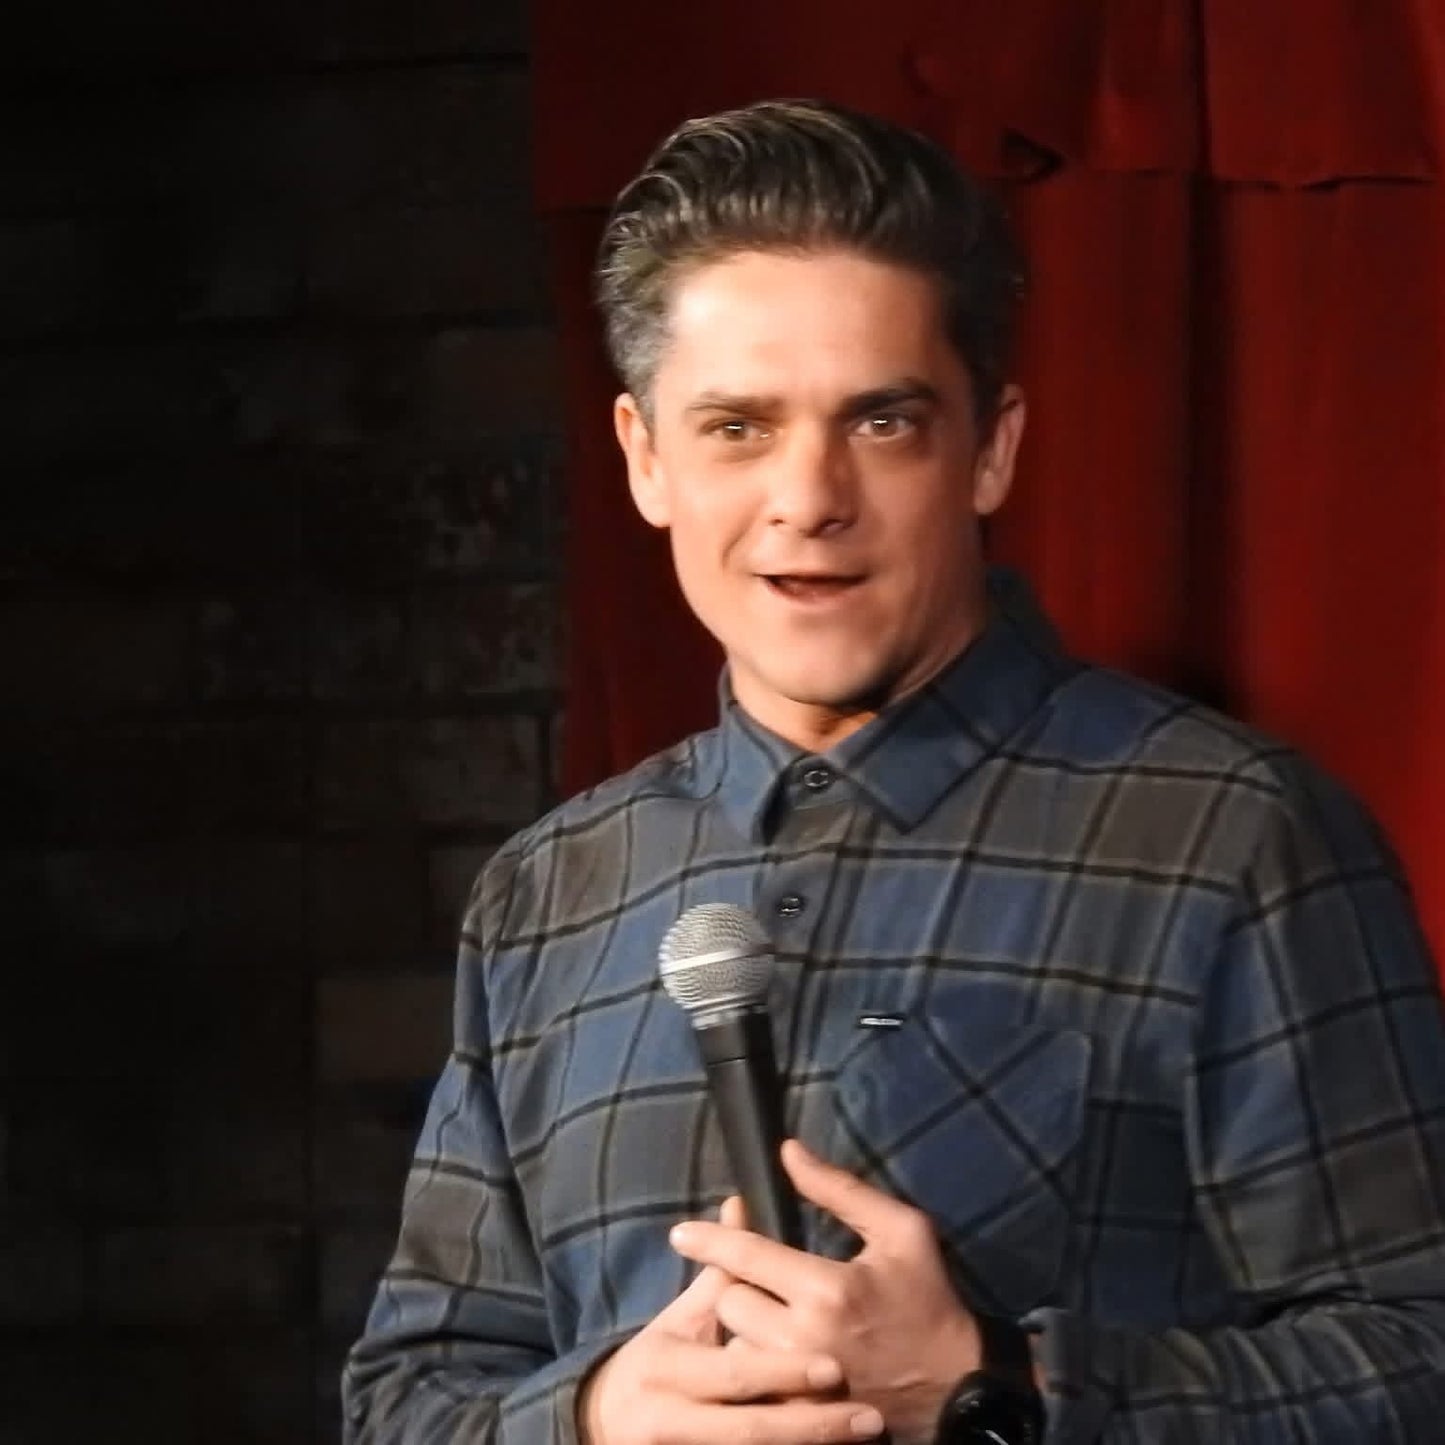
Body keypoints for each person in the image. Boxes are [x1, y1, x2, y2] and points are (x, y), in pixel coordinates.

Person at [342, 99, 1445, 1444]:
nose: (808, 496)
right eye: (737, 427)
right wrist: (591, 1416)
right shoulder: (550, 892)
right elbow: (407, 1396)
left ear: (988, 447)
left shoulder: (1229, 836)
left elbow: (1418, 1357)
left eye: (879, 421)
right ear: (644, 459)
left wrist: (994, 1390)